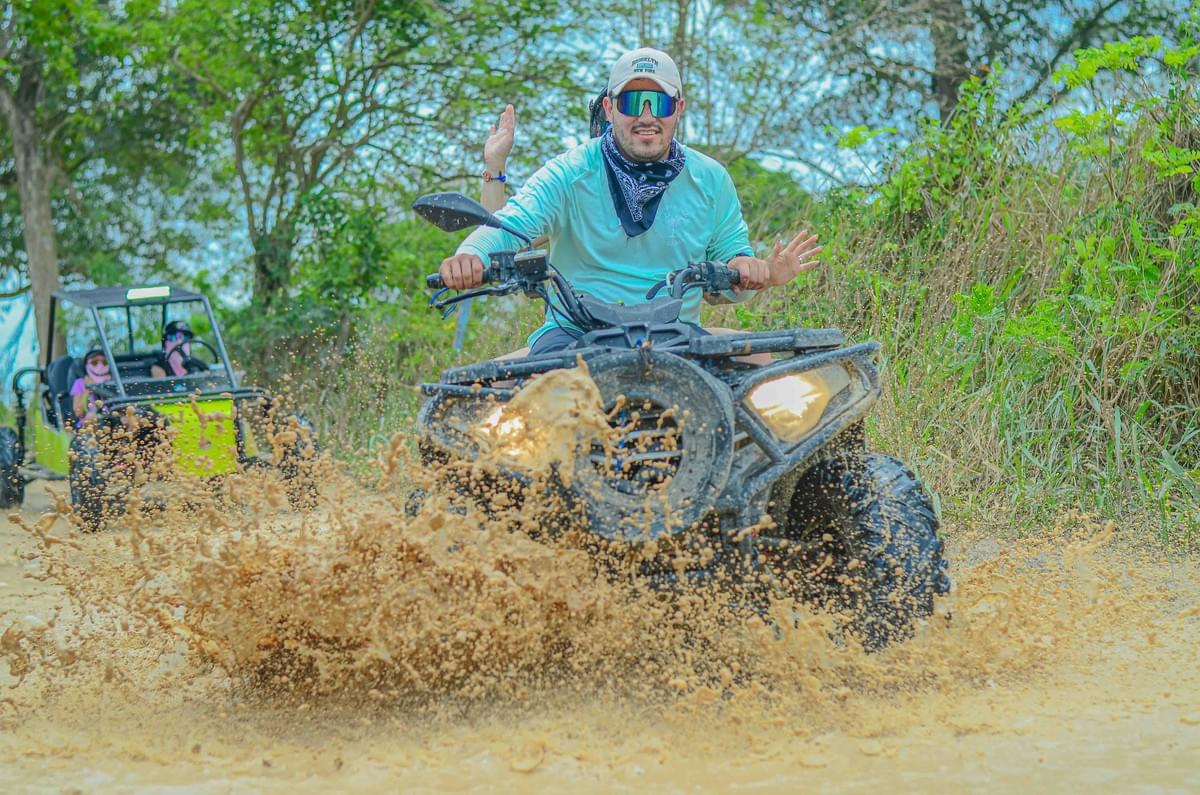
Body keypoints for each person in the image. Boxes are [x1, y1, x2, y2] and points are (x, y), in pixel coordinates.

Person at [442, 46, 822, 356]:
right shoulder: (570, 172)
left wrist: (757, 272)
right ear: (609, 109)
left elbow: (730, 264)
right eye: (631, 102)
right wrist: (470, 255)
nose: (646, 117)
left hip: (675, 335)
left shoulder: (711, 179)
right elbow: (509, 227)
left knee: (767, 374)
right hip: (573, 334)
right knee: (483, 410)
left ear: (678, 110)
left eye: (658, 103)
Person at [70, 347, 112, 426]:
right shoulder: (80, 383)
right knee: (92, 417)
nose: (100, 366)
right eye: (95, 363)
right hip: (87, 423)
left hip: (112, 418)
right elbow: (78, 412)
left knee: (131, 418)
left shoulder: (113, 382)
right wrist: (88, 389)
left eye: (104, 362)